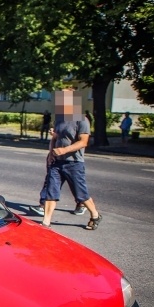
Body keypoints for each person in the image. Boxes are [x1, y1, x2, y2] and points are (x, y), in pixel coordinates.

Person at [41, 91, 102, 230]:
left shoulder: (82, 120)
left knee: (81, 194)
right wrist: (51, 153)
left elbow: (83, 142)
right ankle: (46, 222)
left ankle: (95, 215)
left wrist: (64, 150)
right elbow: (55, 138)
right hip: (56, 162)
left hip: (74, 163)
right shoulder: (60, 118)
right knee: (51, 192)